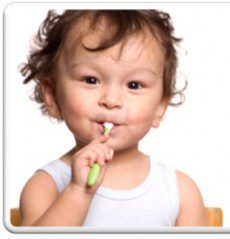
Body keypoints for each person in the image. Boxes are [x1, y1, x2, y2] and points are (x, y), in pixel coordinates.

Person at [19, 10, 206, 227]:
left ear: (160, 107)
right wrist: (78, 192)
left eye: (134, 85)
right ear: (52, 96)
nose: (111, 100)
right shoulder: (45, 186)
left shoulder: (181, 192)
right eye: (91, 80)